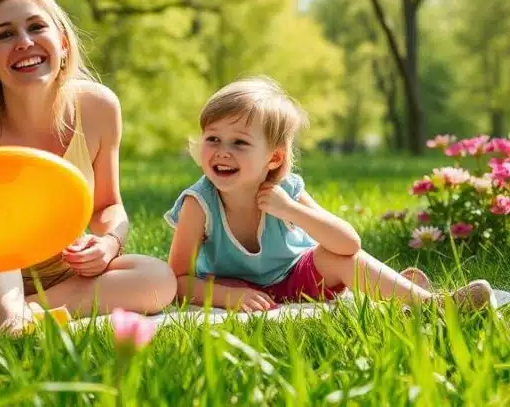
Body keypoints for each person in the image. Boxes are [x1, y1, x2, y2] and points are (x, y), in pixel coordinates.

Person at [0, 0, 177, 334]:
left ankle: (19, 313)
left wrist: (109, 243)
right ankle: (11, 318)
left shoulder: (98, 108)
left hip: (53, 272)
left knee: (157, 278)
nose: (24, 42)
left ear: (63, 44)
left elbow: (108, 207)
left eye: (37, 27)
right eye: (5, 35)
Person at [165, 75, 496, 312]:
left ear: (274, 158)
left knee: (340, 258)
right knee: (358, 269)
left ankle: (434, 305)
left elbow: (349, 245)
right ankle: (403, 288)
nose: (222, 151)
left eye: (239, 142)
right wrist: (227, 297)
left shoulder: (287, 191)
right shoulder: (200, 204)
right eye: (213, 139)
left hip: (298, 279)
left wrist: (293, 211)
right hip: (233, 285)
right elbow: (177, 280)